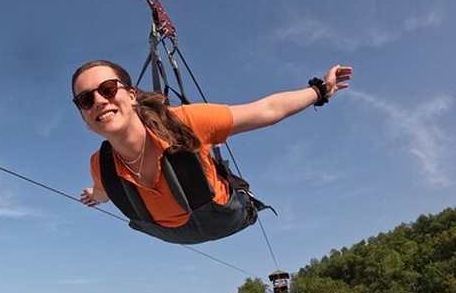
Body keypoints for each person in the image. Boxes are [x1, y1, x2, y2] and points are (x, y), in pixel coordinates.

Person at [73, 60, 353, 244]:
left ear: (131, 95)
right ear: (83, 114)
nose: (99, 101)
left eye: (108, 89)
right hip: (175, 234)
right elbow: (103, 192)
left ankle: (242, 195)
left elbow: (266, 110)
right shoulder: (101, 165)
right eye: (86, 99)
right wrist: (94, 196)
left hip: (225, 216)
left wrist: (320, 91)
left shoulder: (184, 122)